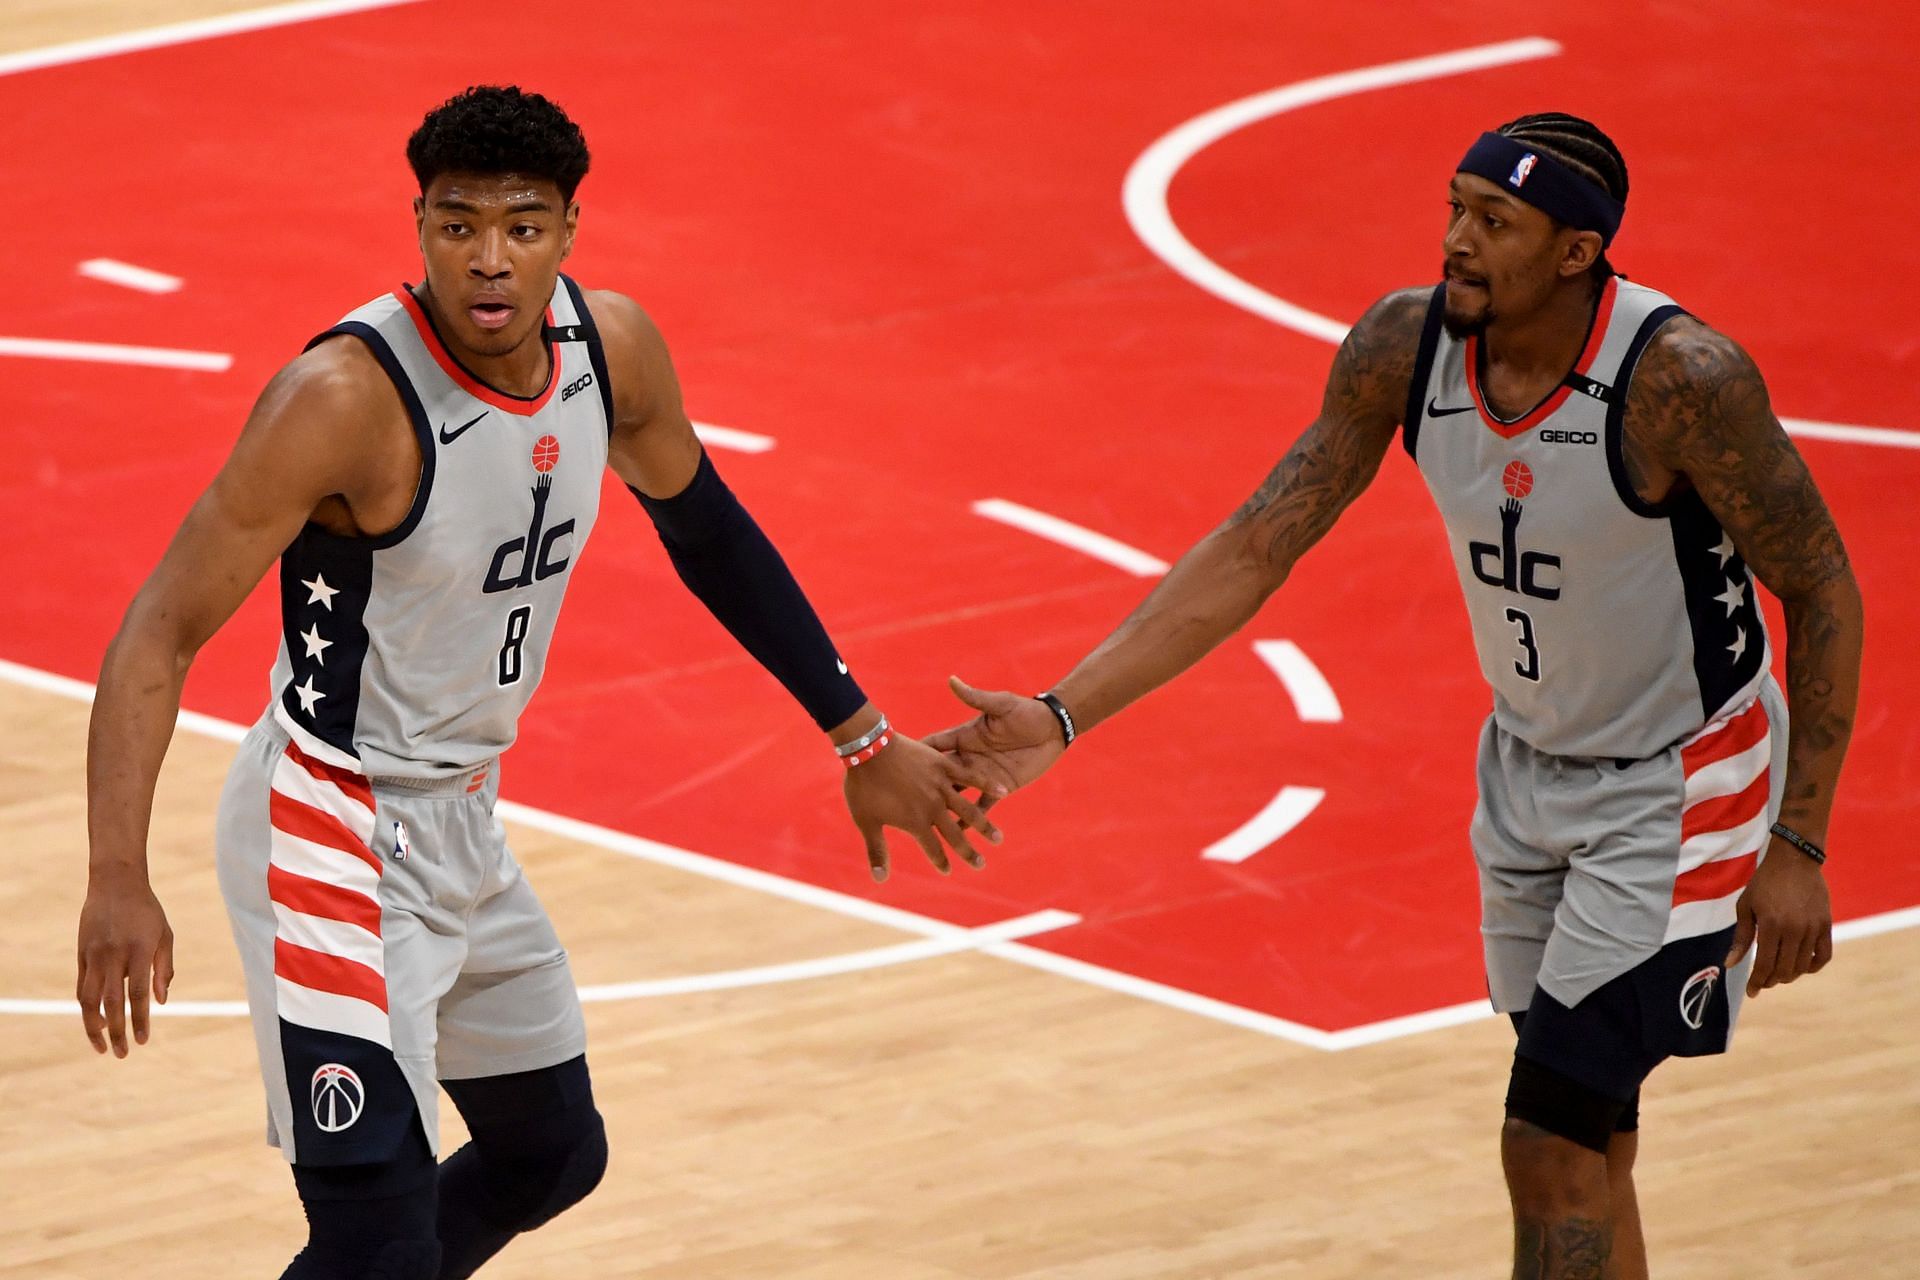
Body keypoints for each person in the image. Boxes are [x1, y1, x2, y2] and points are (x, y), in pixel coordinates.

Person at [74, 85, 1002, 1279]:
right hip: (331, 828)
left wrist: (865, 739)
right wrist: (116, 875)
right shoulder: (343, 402)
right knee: (376, 1231)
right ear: (419, 229)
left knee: (552, 1151)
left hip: (464, 814)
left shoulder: (610, 350)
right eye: (458, 225)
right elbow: (157, 628)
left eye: (522, 224)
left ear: (570, 229)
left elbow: (709, 531)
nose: (489, 259)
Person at [927, 112, 1862, 1280]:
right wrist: (1062, 715)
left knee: (1547, 1139)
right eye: (1455, 207)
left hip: (1682, 788)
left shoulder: (1678, 381)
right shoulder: (1403, 347)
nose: (1456, 242)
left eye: (1494, 220)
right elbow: (1263, 537)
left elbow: (1822, 587)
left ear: (1577, 252)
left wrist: (1801, 840)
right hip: (1524, 768)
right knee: (1589, 1138)